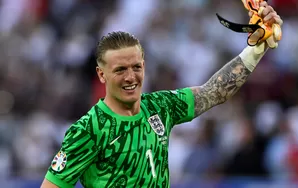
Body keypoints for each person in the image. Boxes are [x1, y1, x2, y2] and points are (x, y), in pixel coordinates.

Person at [41, 1, 283, 188]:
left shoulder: (160, 107)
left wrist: (256, 48)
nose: (130, 76)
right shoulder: (88, 130)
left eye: (136, 67)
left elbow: (215, 92)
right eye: (120, 70)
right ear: (101, 75)